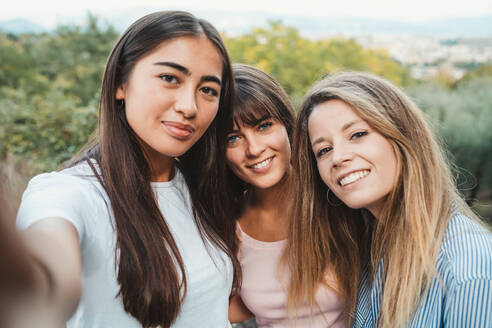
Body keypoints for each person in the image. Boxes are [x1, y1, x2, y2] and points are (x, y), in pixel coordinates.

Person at [15, 11, 240, 328]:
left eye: (208, 90)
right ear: (121, 82)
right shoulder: (71, 192)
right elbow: (48, 266)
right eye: (170, 78)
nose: (189, 106)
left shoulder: (199, 186)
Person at [290, 71, 492, 328]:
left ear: (403, 135)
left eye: (357, 134)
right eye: (324, 150)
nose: (338, 157)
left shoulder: (470, 269)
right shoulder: (373, 250)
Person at [225, 64, 346, 327]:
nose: (254, 149)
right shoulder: (227, 224)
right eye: (233, 138)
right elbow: (246, 304)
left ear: (287, 124)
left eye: (264, 125)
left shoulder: (337, 198)